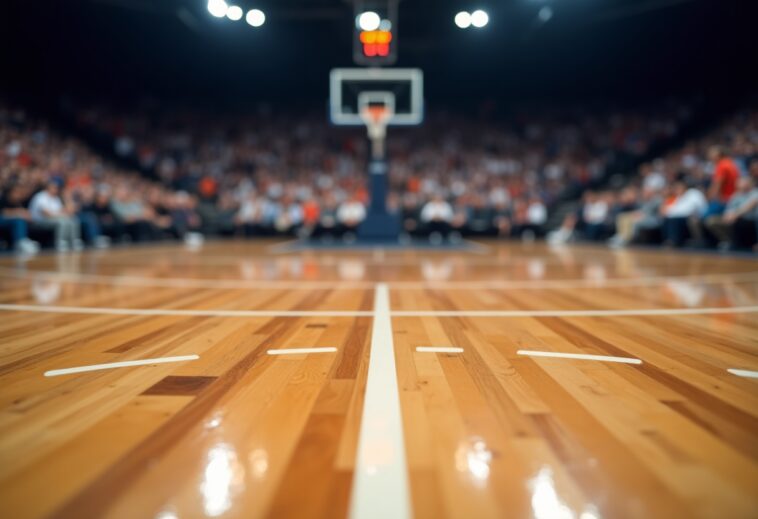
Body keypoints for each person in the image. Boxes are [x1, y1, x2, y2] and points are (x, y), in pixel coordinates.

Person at [29, 179, 82, 251]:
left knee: (73, 219)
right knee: (62, 222)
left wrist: (67, 201)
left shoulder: (56, 198)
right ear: (48, 187)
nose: (56, 189)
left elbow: (61, 210)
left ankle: (74, 241)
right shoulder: (40, 196)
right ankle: (60, 242)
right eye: (54, 187)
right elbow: (46, 213)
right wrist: (61, 215)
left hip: (53, 218)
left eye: (56, 187)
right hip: (39, 221)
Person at [0, 184, 40, 254]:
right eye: (16, 192)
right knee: (18, 220)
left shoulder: (18, 202)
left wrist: (26, 215)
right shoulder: (3, 199)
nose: (18, 195)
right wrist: (19, 213)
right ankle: (20, 242)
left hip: (11, 221)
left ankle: (24, 241)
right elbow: (4, 213)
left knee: (21, 220)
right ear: (10, 192)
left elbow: (26, 213)